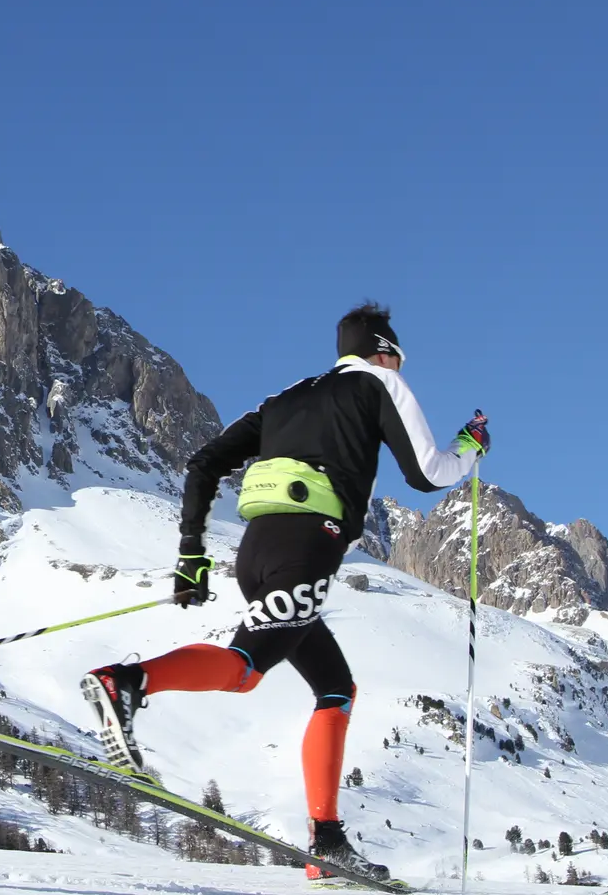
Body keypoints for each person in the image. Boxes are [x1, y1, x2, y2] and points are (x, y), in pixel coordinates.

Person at [79, 301, 488, 880]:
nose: (399, 367)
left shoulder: (285, 397)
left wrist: (191, 554)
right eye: (398, 357)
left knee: (335, 687)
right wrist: (470, 446)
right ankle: (126, 682)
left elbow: (203, 465)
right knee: (245, 669)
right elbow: (428, 473)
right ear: (383, 350)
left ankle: (327, 842)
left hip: (257, 549)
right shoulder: (379, 385)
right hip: (308, 543)